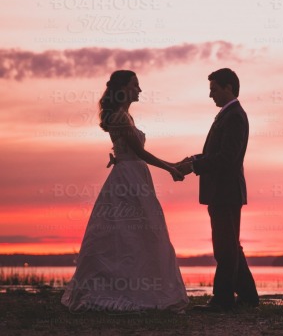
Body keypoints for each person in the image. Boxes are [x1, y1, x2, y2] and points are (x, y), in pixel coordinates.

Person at [61, 70, 188, 313]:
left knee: (140, 233)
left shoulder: (125, 115)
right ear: (124, 88)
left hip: (135, 176)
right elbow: (140, 152)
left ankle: (139, 287)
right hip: (128, 179)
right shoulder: (120, 117)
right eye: (135, 85)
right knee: (128, 232)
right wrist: (170, 167)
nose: (139, 90)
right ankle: (121, 293)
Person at [178, 68, 259, 312]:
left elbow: (227, 158)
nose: (210, 95)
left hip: (226, 192)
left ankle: (222, 299)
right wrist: (192, 159)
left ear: (228, 88)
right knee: (230, 245)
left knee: (224, 247)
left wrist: (194, 166)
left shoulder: (234, 116)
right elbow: (217, 153)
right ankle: (248, 297)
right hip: (223, 192)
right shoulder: (228, 114)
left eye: (214, 89)